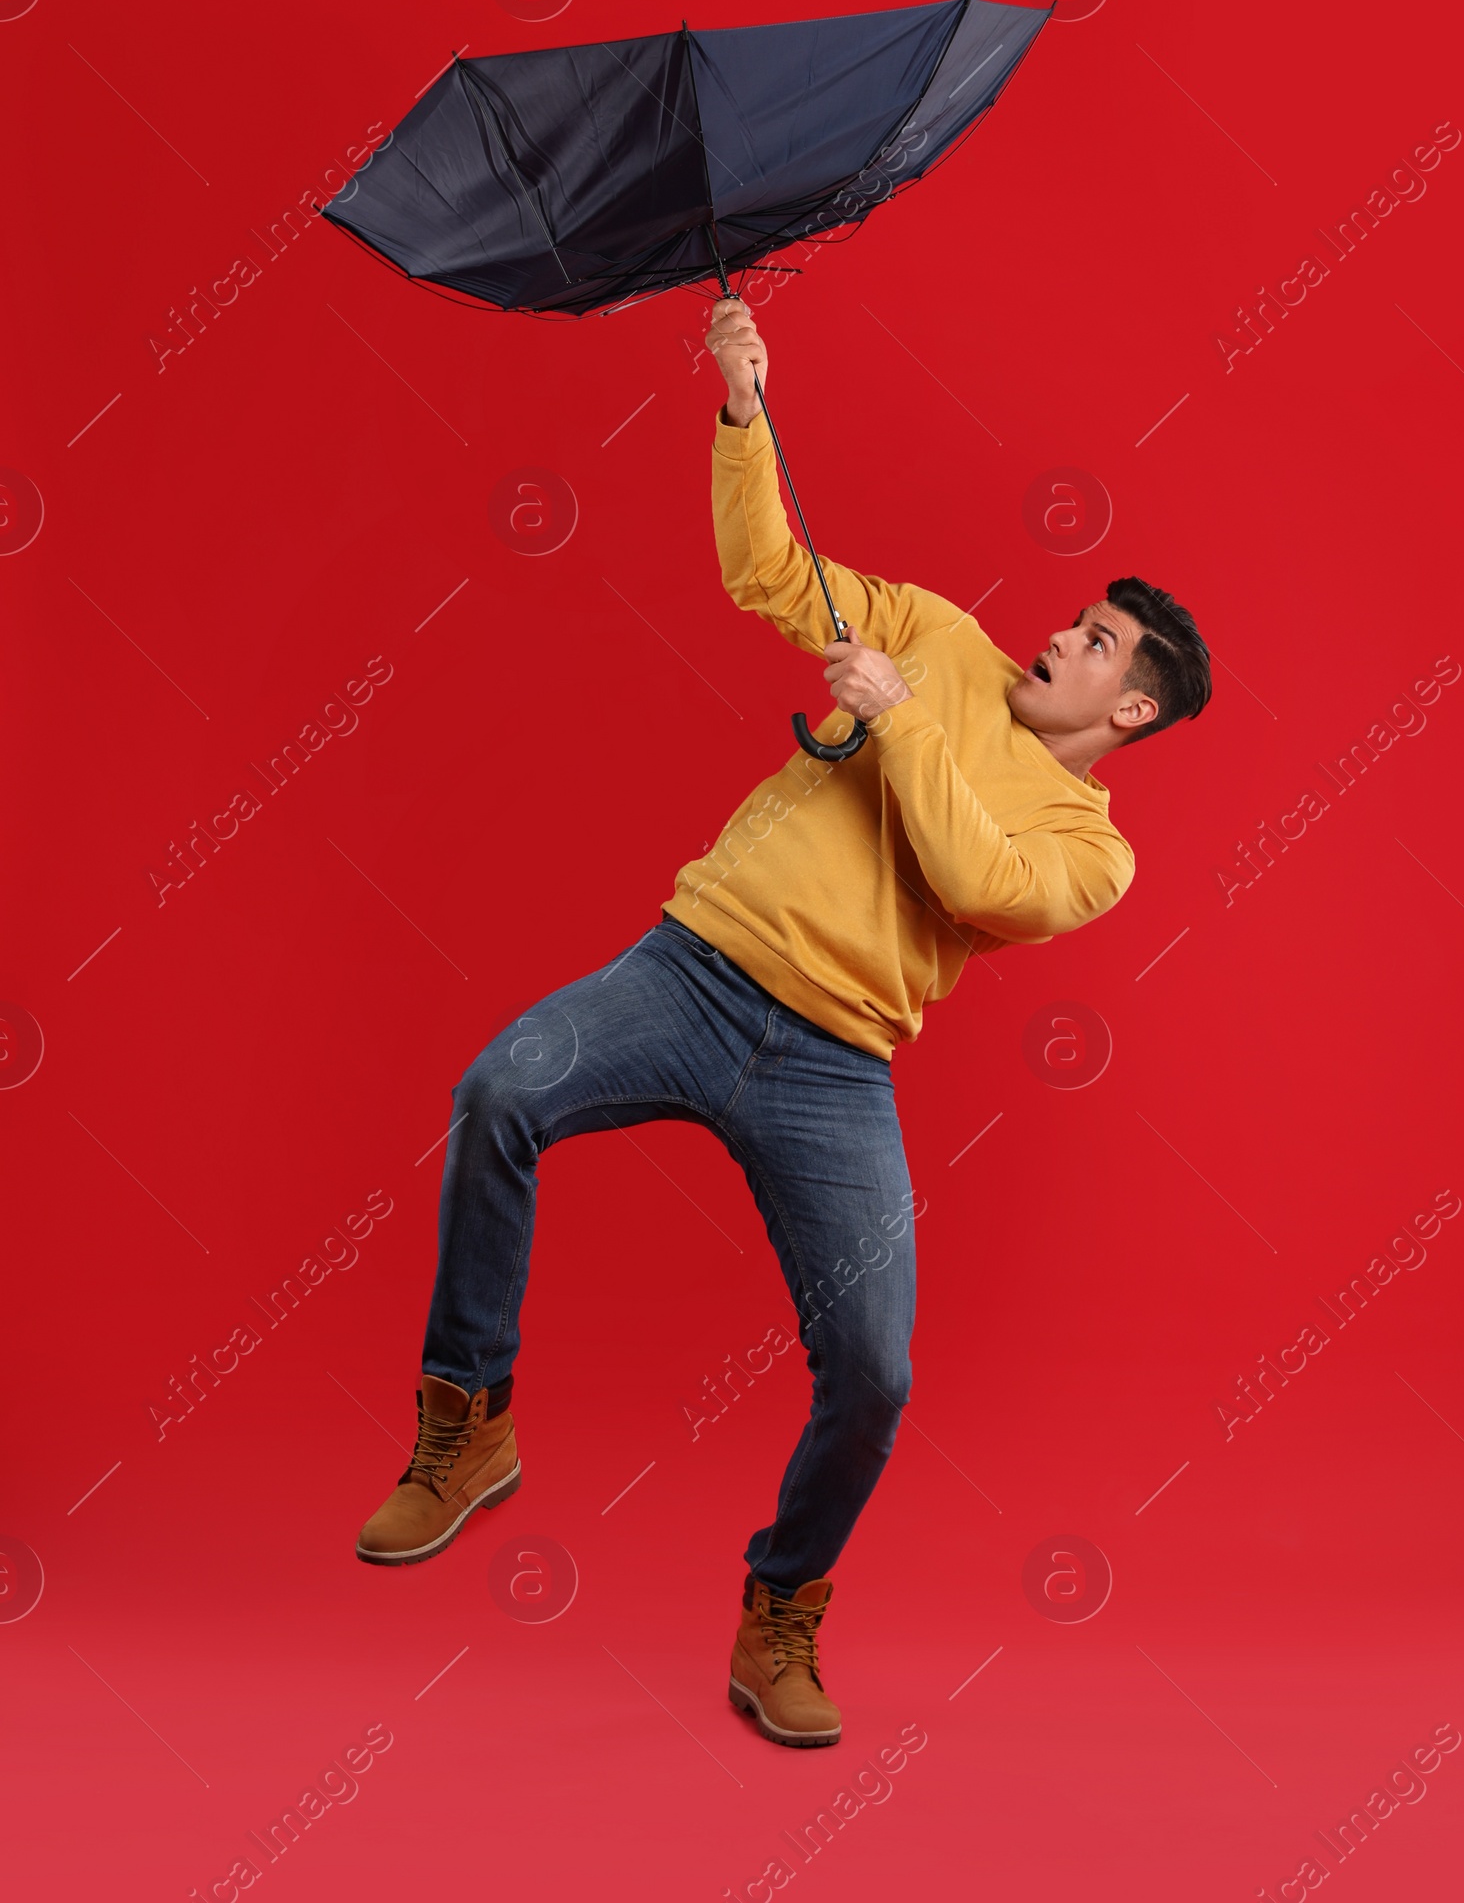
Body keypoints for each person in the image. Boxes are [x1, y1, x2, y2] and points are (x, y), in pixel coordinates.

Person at [355, 295, 1212, 1750]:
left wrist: (895, 723)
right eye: (1076, 619)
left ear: (1128, 712)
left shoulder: (1096, 849)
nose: (1060, 634)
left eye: (1093, 641)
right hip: (696, 964)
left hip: (835, 1063)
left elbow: (978, 879)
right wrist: (744, 408)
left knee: (876, 1368)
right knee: (500, 1087)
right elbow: (773, 575)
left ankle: (780, 1613)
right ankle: (468, 1416)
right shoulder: (937, 634)